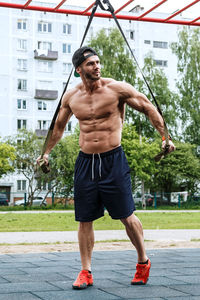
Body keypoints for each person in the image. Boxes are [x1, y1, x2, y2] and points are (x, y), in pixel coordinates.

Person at [37, 46, 175, 289]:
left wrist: (165, 137)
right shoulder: (71, 97)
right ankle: (86, 271)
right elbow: (58, 127)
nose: (97, 66)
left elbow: (147, 107)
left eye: (98, 62)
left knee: (126, 216)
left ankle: (143, 260)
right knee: (85, 219)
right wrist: (46, 152)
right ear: (79, 69)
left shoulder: (116, 89)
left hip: (113, 160)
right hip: (86, 162)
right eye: (91, 64)